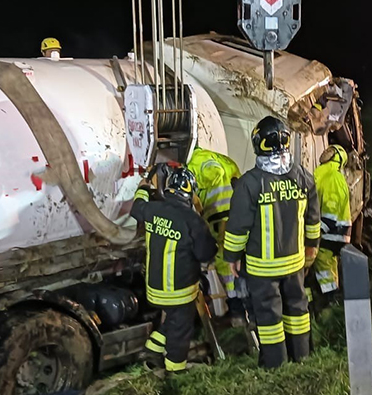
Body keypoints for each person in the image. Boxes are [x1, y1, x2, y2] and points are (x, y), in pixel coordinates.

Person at [223, 116, 321, 368]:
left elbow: (238, 227)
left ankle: (276, 366)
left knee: (269, 318)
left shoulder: (249, 184)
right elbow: (313, 221)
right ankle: (302, 359)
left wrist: (231, 257)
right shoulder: (304, 178)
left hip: (262, 269)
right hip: (295, 264)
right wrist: (312, 249)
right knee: (298, 310)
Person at [133, 164, 217, 377]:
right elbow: (206, 254)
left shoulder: (153, 209)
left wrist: (144, 186)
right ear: (190, 191)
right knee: (181, 329)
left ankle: (152, 351)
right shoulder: (192, 221)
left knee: (172, 319)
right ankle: (176, 371)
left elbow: (136, 207)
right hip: (179, 291)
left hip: (154, 288)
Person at [186, 147, 246, 324]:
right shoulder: (223, 159)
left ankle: (237, 309)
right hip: (239, 214)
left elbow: (192, 201)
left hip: (218, 217)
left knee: (223, 259)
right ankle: (245, 305)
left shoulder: (192, 166)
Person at [308, 143, 352, 308]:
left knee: (323, 265)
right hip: (333, 232)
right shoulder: (325, 174)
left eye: (331, 152)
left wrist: (317, 232)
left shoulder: (332, 177)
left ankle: (331, 303)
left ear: (337, 158)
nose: (325, 152)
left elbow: (330, 210)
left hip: (332, 232)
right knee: (325, 267)